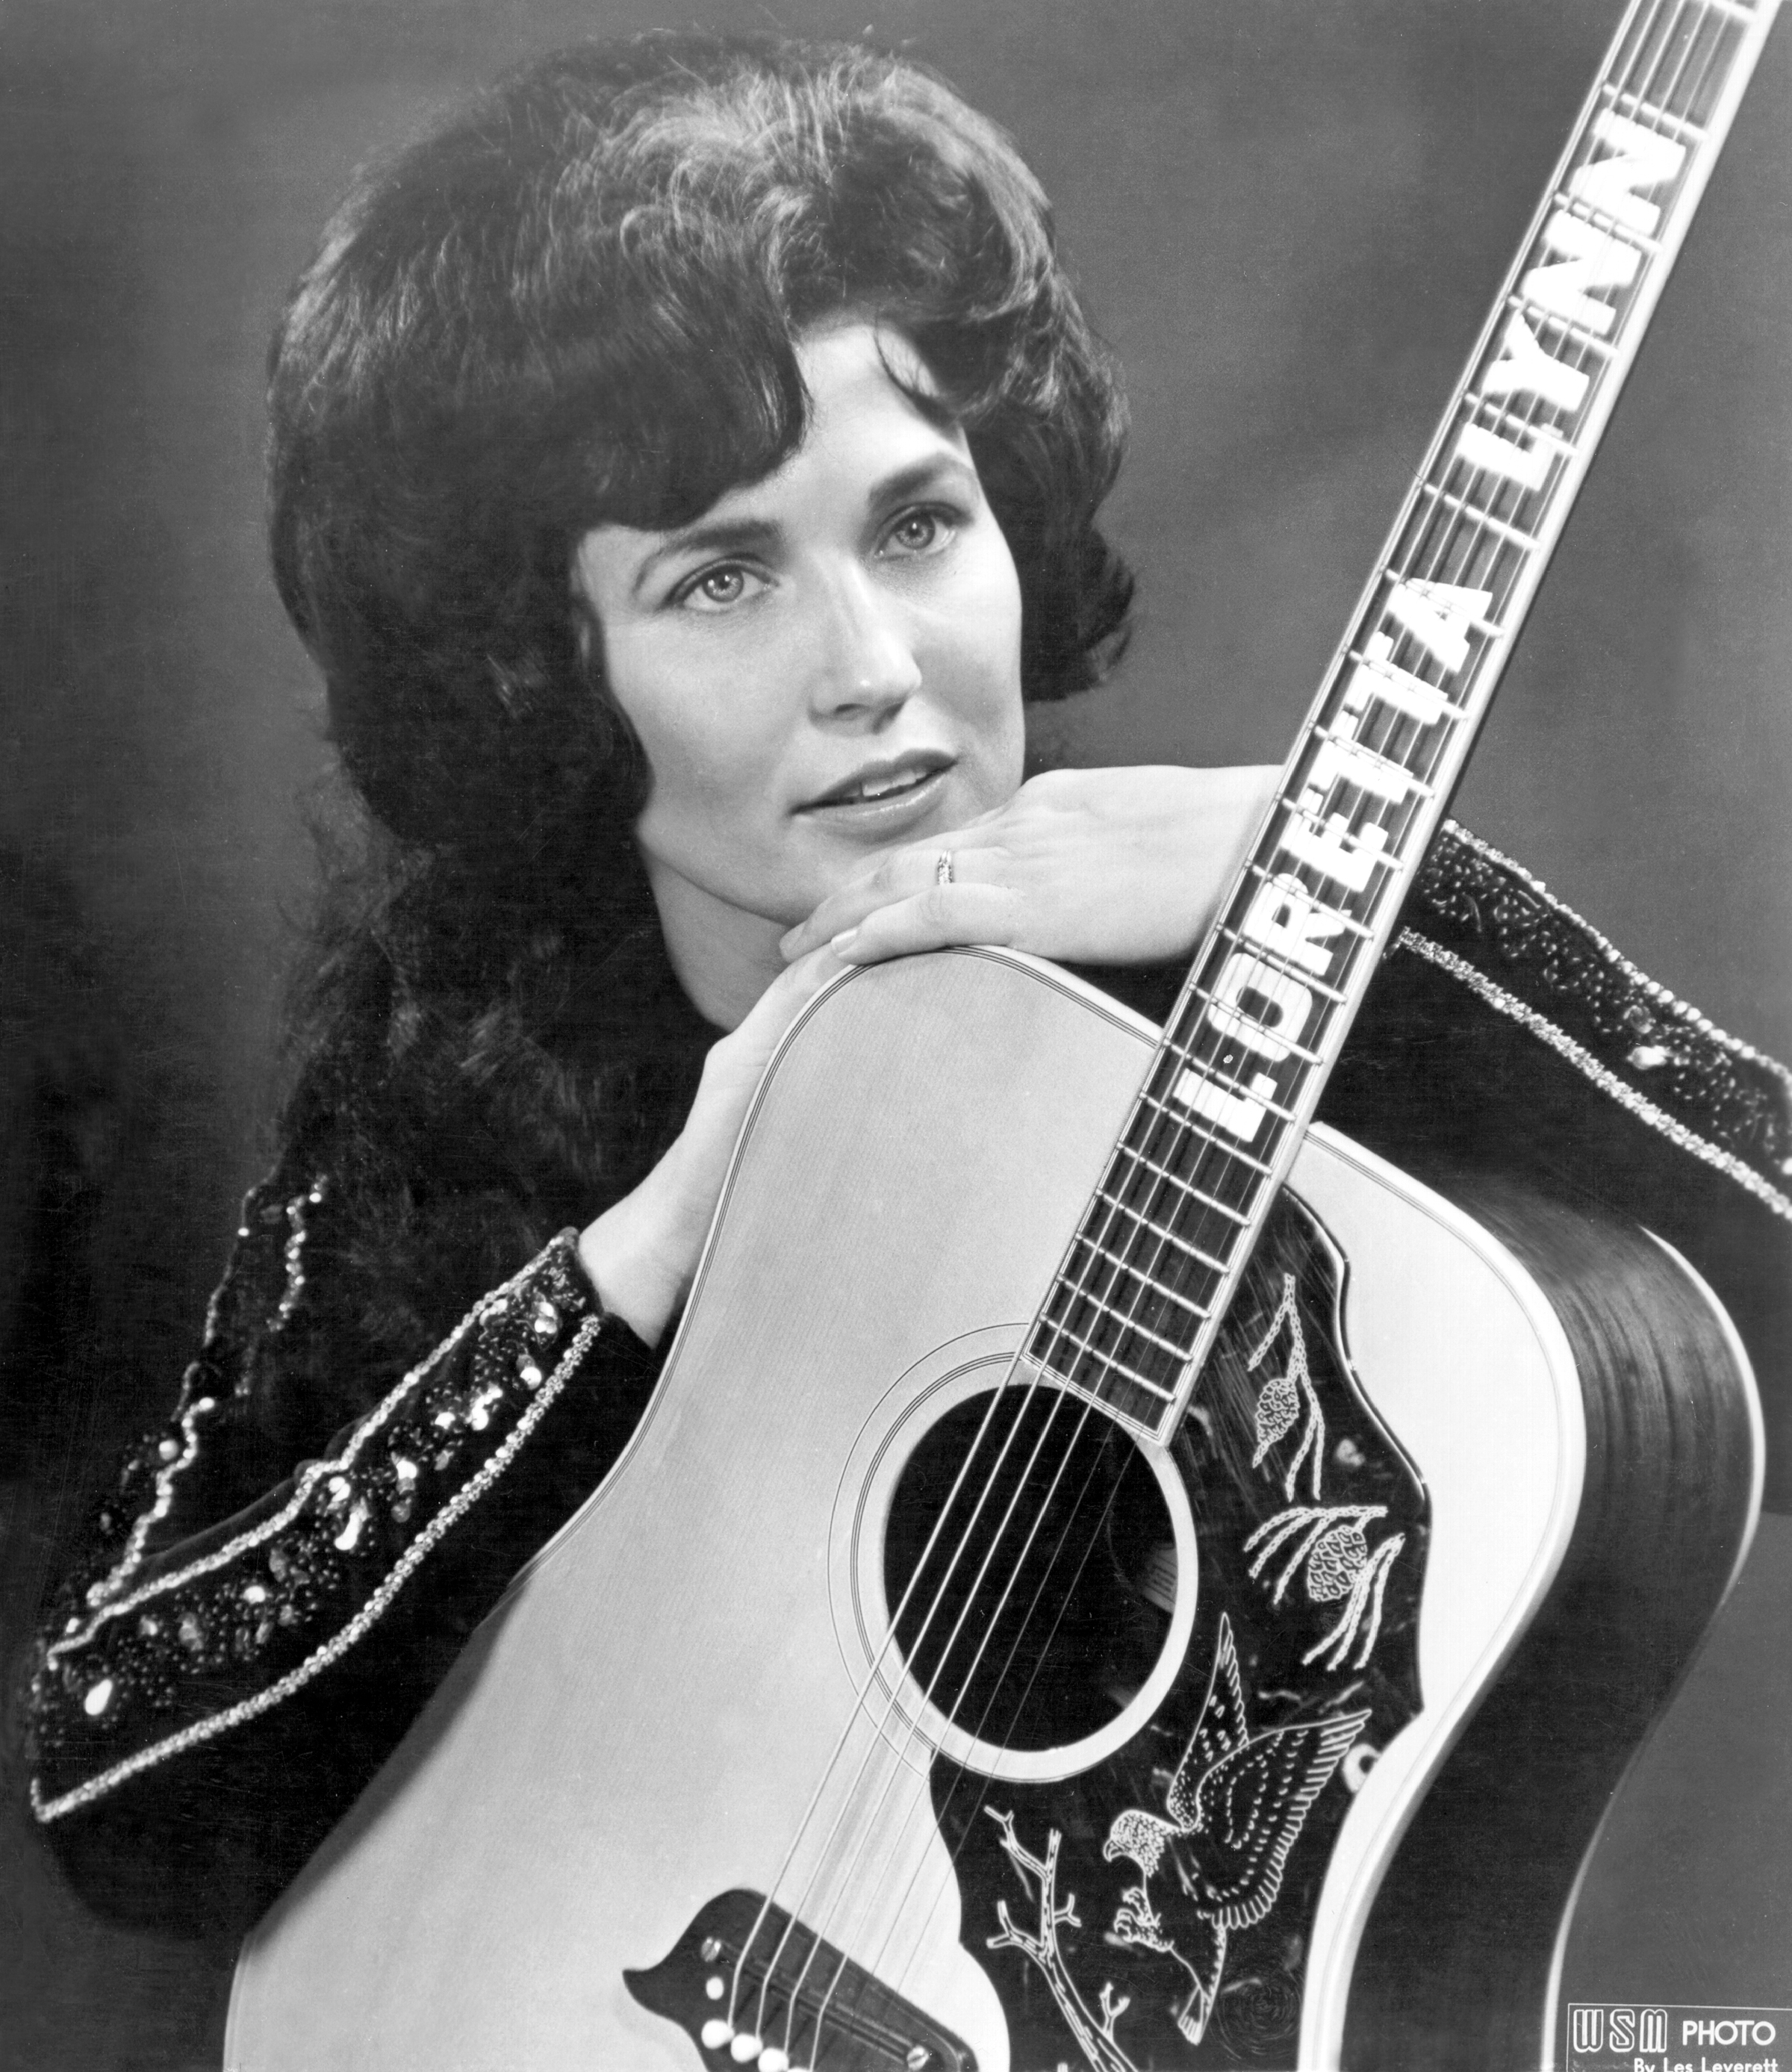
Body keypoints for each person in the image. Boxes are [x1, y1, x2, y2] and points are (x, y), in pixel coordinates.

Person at [19, 25, 1791, 1964]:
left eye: (919, 523)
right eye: (718, 581)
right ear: (538, 675)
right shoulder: (468, 1098)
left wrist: (1396, 909)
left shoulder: (1277, 1018)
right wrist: (648, 1257)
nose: (871, 664)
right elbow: (120, 1784)